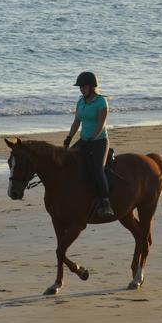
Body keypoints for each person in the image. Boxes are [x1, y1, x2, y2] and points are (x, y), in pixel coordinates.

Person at [63, 71, 113, 217]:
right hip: (84, 140)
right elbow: (76, 122)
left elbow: (101, 124)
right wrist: (69, 138)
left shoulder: (101, 102)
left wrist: (92, 138)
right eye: (80, 87)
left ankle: (106, 202)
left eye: (83, 86)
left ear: (91, 87)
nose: (81, 89)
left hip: (99, 141)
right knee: (66, 161)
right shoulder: (80, 101)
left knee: (98, 169)